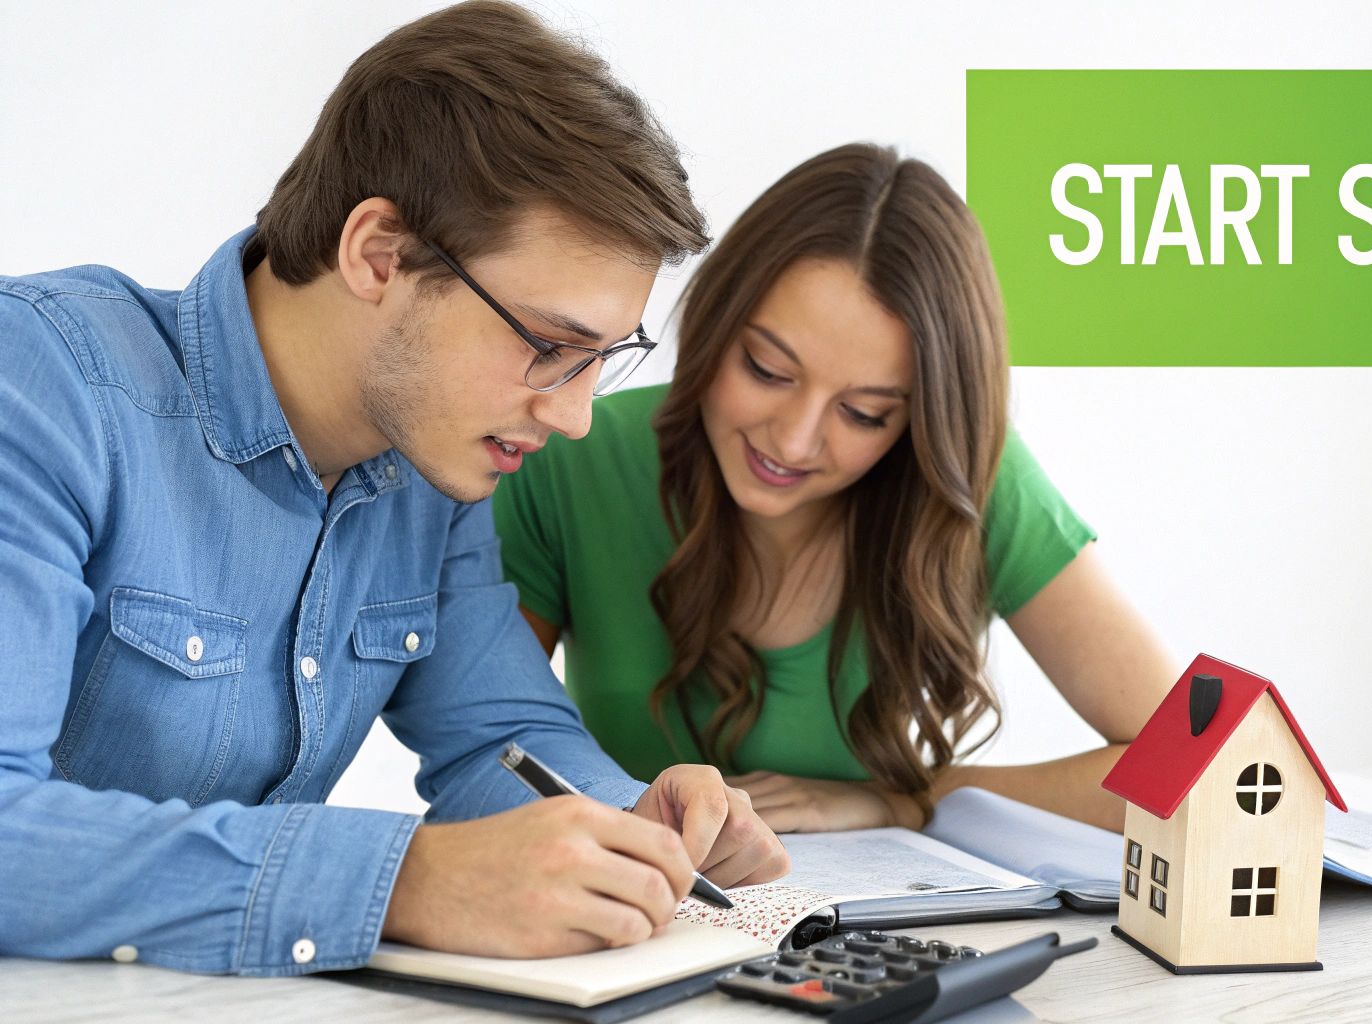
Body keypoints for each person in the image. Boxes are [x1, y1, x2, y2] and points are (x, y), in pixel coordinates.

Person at [0, 1, 787, 977]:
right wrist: (403, 879)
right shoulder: (38, 384)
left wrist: (628, 827)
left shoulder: (433, 463)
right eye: (547, 346)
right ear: (378, 254)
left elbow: (497, 735)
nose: (576, 415)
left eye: (599, 358)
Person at [494, 143, 1181, 836]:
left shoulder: (973, 484)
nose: (793, 441)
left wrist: (908, 799)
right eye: (766, 369)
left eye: (864, 413)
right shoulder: (570, 455)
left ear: (918, 419)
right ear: (716, 323)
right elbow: (489, 748)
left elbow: (1200, 769)